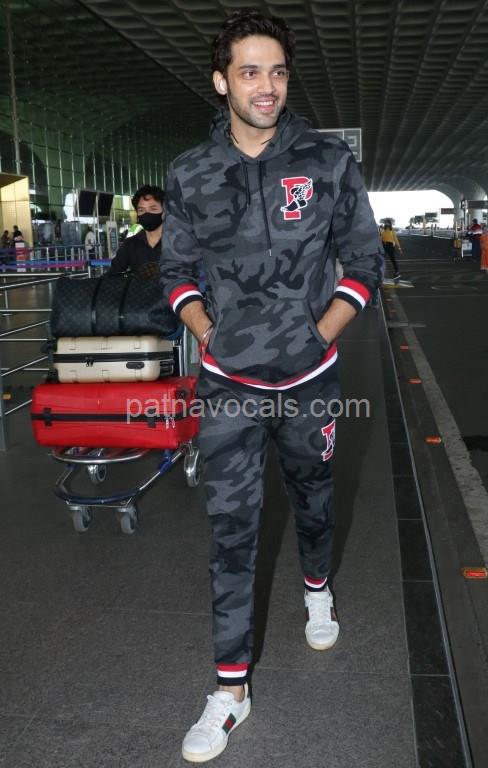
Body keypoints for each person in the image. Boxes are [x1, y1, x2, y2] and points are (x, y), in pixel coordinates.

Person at [160, 10, 383, 763]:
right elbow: (175, 272)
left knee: (314, 495)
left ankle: (317, 584)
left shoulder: (326, 161)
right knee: (231, 527)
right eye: (250, 71)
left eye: (278, 71)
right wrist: (207, 331)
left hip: (311, 377)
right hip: (228, 383)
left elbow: (364, 262)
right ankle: (230, 692)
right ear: (221, 81)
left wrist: (318, 334)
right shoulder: (190, 171)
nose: (267, 86)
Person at [108, 184, 164, 278]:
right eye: (141, 210)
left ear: (164, 211)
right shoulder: (130, 245)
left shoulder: (179, 243)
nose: (147, 214)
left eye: (153, 209)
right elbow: (112, 277)